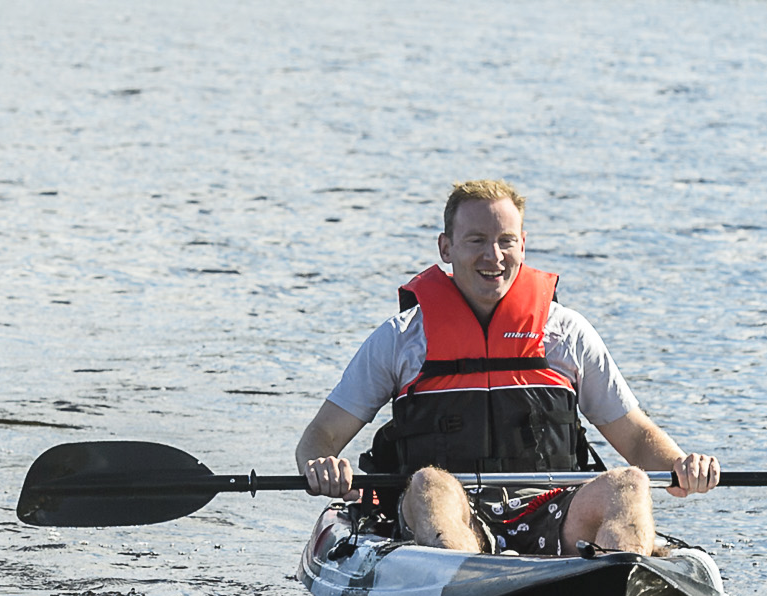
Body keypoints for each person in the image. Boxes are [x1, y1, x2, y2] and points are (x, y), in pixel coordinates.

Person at [295, 178, 717, 556]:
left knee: (630, 483)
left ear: (523, 245)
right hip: (452, 512)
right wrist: (322, 465)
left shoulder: (567, 333)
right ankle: (464, 581)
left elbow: (636, 437)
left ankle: (618, 579)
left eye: (506, 241)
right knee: (430, 484)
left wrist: (681, 465)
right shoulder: (400, 338)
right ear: (446, 247)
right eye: (476, 240)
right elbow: (320, 436)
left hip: (549, 510)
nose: (493, 256)